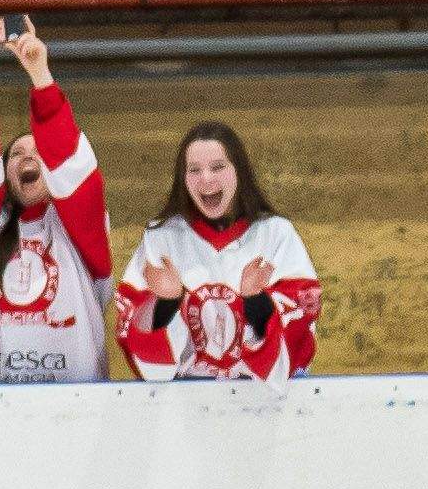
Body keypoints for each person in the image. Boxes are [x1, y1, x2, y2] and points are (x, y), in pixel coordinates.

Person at [0, 17, 116, 385]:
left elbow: (70, 161)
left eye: (39, 151)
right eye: (17, 153)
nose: (29, 158)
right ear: (2, 175)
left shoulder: (83, 232)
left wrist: (40, 74)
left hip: (76, 409)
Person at [119, 118, 322, 380]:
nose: (206, 179)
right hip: (186, 403)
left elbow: (297, 347)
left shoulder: (276, 234)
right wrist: (165, 303)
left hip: (263, 401)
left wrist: (256, 301)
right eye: (194, 170)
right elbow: (142, 357)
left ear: (239, 171)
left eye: (217, 167)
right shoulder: (162, 237)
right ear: (183, 178)